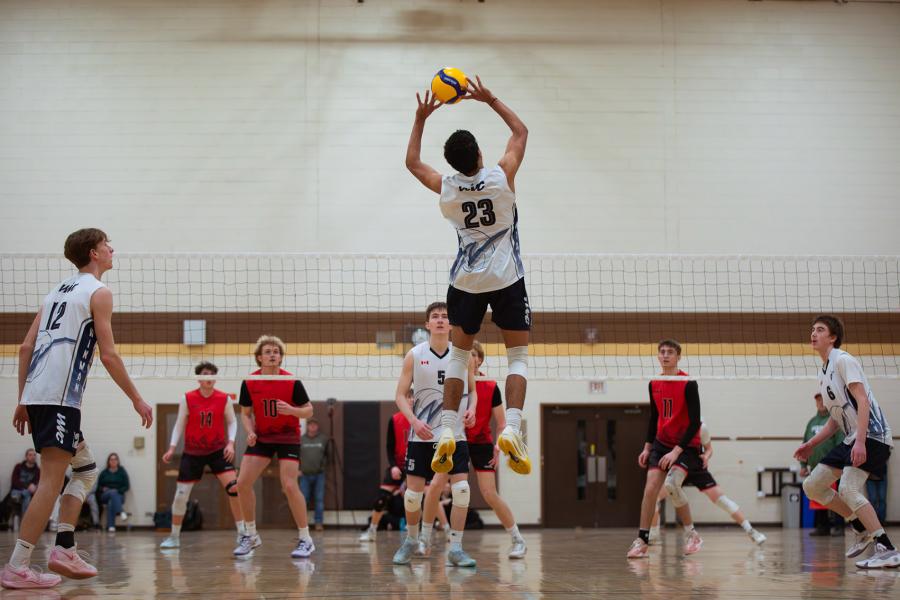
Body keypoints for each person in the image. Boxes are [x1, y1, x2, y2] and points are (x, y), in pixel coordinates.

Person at [2, 228, 153, 590]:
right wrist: (136, 397)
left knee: (85, 470)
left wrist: (23, 398)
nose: (112, 248)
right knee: (51, 481)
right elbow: (109, 354)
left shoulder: (55, 292)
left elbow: (25, 349)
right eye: (106, 245)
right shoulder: (98, 293)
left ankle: (64, 547)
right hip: (58, 397)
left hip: (41, 394)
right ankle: (17, 566)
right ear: (93, 252)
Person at [405, 76, 531, 478]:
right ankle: (511, 427)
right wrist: (488, 97)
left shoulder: (447, 187)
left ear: (455, 162)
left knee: (459, 357)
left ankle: (446, 430)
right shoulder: (500, 176)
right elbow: (520, 132)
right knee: (518, 357)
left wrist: (421, 117)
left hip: (465, 283)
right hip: (506, 277)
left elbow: (412, 163)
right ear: (478, 152)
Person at [795, 315, 898, 569]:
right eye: (812, 329)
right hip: (852, 437)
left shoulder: (843, 360)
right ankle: (860, 526)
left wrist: (861, 442)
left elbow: (862, 401)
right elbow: (834, 420)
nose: (813, 333)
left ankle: (887, 549)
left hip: (873, 436)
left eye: (820, 329)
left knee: (848, 489)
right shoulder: (824, 370)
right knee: (813, 485)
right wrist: (812, 444)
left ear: (833, 337)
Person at [391, 302, 477, 567]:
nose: (440, 320)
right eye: (435, 317)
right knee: (412, 495)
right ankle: (411, 541)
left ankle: (457, 548)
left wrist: (472, 409)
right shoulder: (414, 355)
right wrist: (414, 421)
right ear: (427, 325)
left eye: (445, 317)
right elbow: (399, 396)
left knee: (462, 490)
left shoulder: (464, 355)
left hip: (454, 434)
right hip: (423, 435)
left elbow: (473, 390)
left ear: (451, 325)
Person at [233, 335, 315, 559]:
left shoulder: (291, 381)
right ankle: (250, 535)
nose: (273, 355)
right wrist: (250, 431)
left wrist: (292, 411)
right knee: (242, 483)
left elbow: (309, 410)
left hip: (288, 436)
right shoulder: (250, 381)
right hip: (262, 436)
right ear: (259, 357)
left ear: (280, 357)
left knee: (289, 485)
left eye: (276, 352)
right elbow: (246, 414)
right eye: (268, 351)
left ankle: (305, 538)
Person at [627, 339, 703, 559]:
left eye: (670, 352)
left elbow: (695, 422)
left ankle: (692, 534)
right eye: (662, 352)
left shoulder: (688, 382)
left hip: (686, 445)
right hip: (661, 443)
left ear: (678, 356)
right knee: (650, 489)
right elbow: (654, 417)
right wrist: (647, 447)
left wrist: (676, 451)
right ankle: (642, 540)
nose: (666, 355)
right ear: (658, 356)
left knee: (671, 485)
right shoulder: (654, 383)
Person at [160, 361, 243, 549]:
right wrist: (172, 448)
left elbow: (232, 422)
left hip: (218, 451)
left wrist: (230, 443)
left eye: (213, 374)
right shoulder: (187, 398)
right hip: (193, 452)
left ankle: (243, 534)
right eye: (206, 374)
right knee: (181, 495)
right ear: (199, 378)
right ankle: (174, 536)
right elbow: (180, 424)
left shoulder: (224, 399)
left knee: (234, 489)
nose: (210, 378)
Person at [649, 422, 766, 546]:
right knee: (654, 497)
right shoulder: (670, 425)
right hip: (677, 468)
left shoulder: (700, 427)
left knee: (722, 500)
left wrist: (706, 456)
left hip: (696, 467)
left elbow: (709, 449)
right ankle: (654, 534)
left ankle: (751, 531)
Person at [467, 341, 526, 558]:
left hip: (482, 442)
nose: (468, 358)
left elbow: (501, 423)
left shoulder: (490, 386)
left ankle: (517, 539)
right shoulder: (453, 382)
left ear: (479, 359)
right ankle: (425, 539)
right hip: (456, 441)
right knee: (437, 485)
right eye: (465, 354)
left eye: (472, 354)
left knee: (490, 494)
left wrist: (498, 448)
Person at [359, 409, 411, 542]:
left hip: (415, 464)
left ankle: (444, 530)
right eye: (408, 397)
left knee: (427, 497)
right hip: (398, 465)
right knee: (381, 499)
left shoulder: (423, 418)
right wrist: (393, 466)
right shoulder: (394, 419)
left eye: (413, 397)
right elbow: (389, 446)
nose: (411, 400)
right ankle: (372, 531)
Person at [800, 392, 846, 536]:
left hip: (833, 467)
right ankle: (822, 527)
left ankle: (839, 526)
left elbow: (840, 443)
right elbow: (805, 443)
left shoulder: (834, 420)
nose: (820, 403)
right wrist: (803, 466)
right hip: (815, 467)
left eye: (822, 400)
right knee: (817, 496)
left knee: (837, 497)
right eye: (818, 400)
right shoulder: (812, 422)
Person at [299, 417, 329, 532]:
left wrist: (323, 467)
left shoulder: (323, 439)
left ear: (317, 426)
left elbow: (328, 455)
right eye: (310, 425)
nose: (312, 427)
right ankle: (303, 525)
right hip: (304, 475)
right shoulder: (301, 439)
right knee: (303, 500)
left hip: (319, 475)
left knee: (319, 500)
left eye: (314, 425)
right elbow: (296, 456)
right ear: (307, 426)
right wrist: (298, 469)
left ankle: (318, 523)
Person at [98, 453, 130, 532]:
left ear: (118, 461)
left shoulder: (122, 471)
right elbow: (98, 487)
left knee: (111, 501)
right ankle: (121, 512)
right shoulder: (104, 473)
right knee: (112, 493)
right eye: (111, 459)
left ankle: (111, 527)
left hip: (119, 496)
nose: (113, 461)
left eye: (115, 459)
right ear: (108, 461)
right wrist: (103, 489)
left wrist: (118, 491)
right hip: (105, 495)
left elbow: (127, 486)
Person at [9, 449, 40, 516]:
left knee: (29, 494)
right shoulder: (18, 467)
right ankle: (25, 519)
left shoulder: (37, 470)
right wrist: (27, 486)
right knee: (27, 493)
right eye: (30, 455)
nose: (33, 457)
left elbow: (36, 483)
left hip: (29, 492)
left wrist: (34, 487)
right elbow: (14, 481)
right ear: (26, 456)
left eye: (34, 455)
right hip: (17, 490)